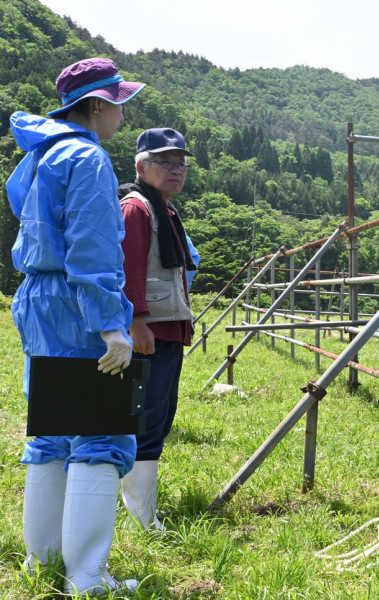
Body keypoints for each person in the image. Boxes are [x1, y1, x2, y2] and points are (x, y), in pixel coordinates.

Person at [6, 58, 145, 595]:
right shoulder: (87, 158)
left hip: (38, 297)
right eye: (117, 101)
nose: (121, 112)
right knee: (100, 429)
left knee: (52, 428)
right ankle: (87, 576)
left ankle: (41, 562)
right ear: (94, 105)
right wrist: (111, 323)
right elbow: (90, 247)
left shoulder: (45, 152)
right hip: (75, 300)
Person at [118, 128, 197, 530]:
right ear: (141, 166)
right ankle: (140, 516)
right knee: (145, 419)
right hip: (150, 333)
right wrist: (136, 322)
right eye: (165, 162)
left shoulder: (163, 210)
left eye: (181, 163)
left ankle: (141, 508)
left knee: (161, 416)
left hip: (167, 330)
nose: (176, 170)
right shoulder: (137, 209)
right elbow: (129, 269)